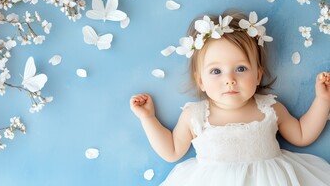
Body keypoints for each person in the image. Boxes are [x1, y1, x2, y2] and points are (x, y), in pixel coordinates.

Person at [130, 11, 330, 185]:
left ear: (258, 75)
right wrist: (148, 118)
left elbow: (302, 135)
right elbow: (172, 151)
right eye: (216, 71)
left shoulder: (269, 108)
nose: (230, 80)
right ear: (200, 81)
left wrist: (323, 100)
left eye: (241, 69)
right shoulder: (195, 115)